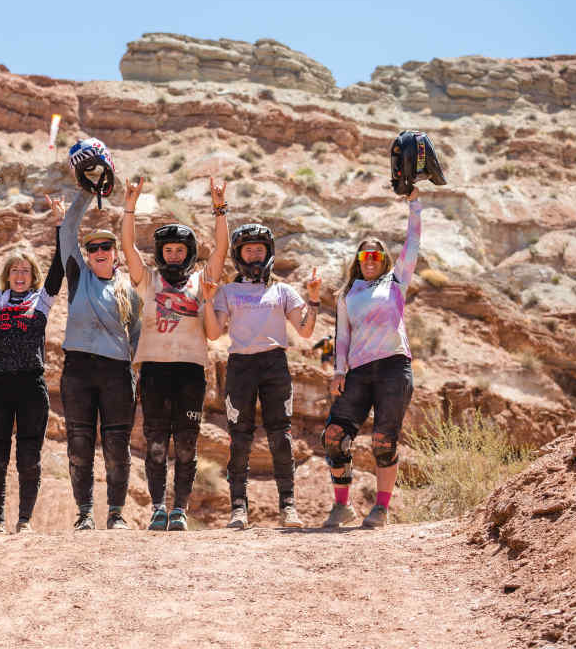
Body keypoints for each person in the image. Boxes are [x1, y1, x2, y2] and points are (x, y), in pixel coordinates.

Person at [120, 176, 229, 531]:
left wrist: (219, 208)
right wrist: (130, 204)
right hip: (153, 370)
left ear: (189, 253)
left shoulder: (201, 281)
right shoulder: (148, 279)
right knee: (154, 443)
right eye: (168, 250)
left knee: (185, 444)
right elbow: (127, 248)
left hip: (190, 372)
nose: (174, 255)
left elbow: (222, 250)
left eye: (180, 250)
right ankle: (156, 508)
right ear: (160, 253)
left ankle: (179, 509)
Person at [203, 225, 321, 529]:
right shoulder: (228, 291)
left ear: (268, 253)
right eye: (248, 249)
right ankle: (239, 509)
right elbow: (214, 333)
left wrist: (314, 299)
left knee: (280, 435)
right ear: (239, 255)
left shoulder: (282, 290)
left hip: (274, 364)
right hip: (241, 365)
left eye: (260, 249)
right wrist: (207, 299)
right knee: (239, 437)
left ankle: (288, 506)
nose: (255, 254)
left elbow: (306, 331)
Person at [322, 187, 422, 529]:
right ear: (356, 261)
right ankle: (341, 506)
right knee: (334, 435)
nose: (370, 262)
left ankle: (381, 509)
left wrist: (414, 204)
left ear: (385, 262)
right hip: (359, 372)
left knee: (383, 441)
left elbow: (413, 244)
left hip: (394, 367)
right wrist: (339, 371)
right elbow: (343, 335)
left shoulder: (396, 283)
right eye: (364, 257)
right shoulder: (347, 293)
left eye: (376, 257)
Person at [59, 139, 142, 531]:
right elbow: (68, 231)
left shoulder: (128, 287)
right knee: (78, 444)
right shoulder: (78, 278)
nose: (100, 252)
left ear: (115, 252)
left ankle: (116, 514)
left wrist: (134, 370)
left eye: (107, 247)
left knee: (116, 446)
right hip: (77, 369)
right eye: (94, 248)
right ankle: (85, 514)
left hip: (116, 371)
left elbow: (138, 332)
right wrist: (86, 188)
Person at [0, 196, 66, 534]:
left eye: (25, 270)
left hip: (31, 386)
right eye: (14, 270)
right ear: (7, 274)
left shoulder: (41, 300)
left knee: (29, 458)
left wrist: (60, 224)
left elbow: (60, 265)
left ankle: (25, 520)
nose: (19, 274)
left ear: (32, 276)